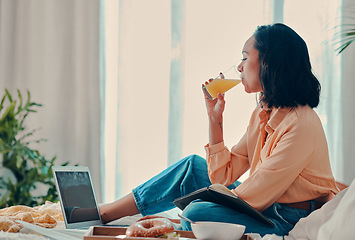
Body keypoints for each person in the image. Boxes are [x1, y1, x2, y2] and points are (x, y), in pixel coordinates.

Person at [99, 23, 339, 237]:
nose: (239, 66)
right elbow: (224, 176)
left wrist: (195, 206)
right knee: (192, 167)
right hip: (262, 204)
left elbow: (254, 196)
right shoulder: (263, 113)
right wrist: (215, 118)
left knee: (197, 212)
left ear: (268, 62)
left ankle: (181, 221)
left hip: (283, 219)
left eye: (245, 57)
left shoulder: (301, 124)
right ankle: (104, 213)